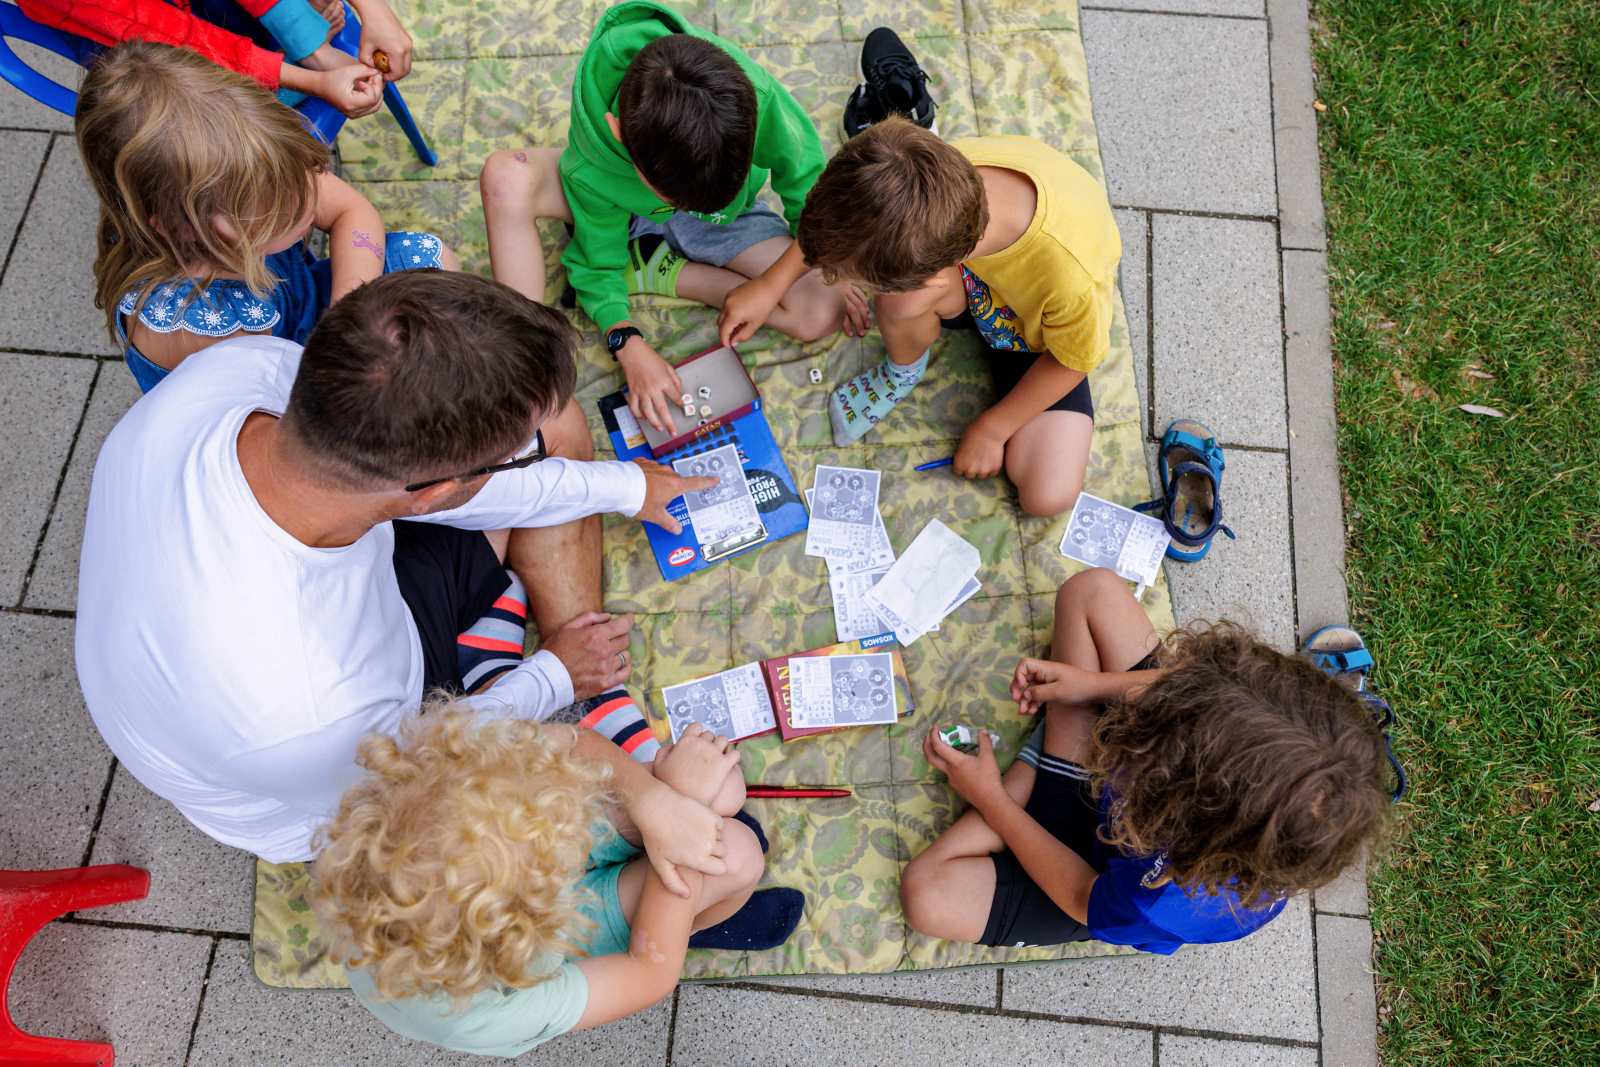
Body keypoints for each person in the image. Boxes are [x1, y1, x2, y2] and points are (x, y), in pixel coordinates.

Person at [74, 269, 719, 869]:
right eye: (509, 460)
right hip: (343, 774)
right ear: (431, 493)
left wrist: (628, 486)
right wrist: (551, 676)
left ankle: (575, 665)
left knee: (549, 419)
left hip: (308, 607)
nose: (520, 459)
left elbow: (449, 486)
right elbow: (425, 750)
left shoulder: (241, 367)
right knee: (559, 432)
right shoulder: (319, 704)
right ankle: (578, 674)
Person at [900, 568, 1395, 953]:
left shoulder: (1163, 895)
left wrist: (992, 799)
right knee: (1093, 591)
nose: (1162, 709)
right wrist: (1089, 686)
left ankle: (1030, 775)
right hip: (1127, 797)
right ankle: (1040, 766)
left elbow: (1080, 895)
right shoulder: (1229, 724)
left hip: (1087, 870)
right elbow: (1185, 689)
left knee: (927, 894)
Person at [478, 0, 865, 435]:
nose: (683, 212)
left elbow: (812, 196)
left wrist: (778, 280)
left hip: (721, 214)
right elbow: (596, 260)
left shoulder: (754, 98)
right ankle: (522, 358)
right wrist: (625, 339)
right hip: (613, 203)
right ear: (618, 131)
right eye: (673, 200)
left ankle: (659, 271)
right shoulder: (595, 157)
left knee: (822, 307)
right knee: (505, 178)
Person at [312, 709, 787, 1056]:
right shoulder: (489, 1013)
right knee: (738, 856)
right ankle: (693, 927)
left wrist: (654, 800)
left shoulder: (443, 783)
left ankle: (682, 881)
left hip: (518, 885)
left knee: (724, 794)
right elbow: (650, 974)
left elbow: (572, 743)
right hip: (550, 928)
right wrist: (685, 806)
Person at [787, 116, 1122, 518]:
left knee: (1047, 496)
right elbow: (842, 228)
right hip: (970, 284)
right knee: (899, 302)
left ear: (933, 276)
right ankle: (902, 371)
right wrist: (771, 285)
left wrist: (992, 429)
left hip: (1038, 347)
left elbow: (1072, 362)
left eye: (865, 284)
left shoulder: (1071, 279)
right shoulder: (927, 177)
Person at [75, 40, 452, 394]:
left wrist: (349, 316)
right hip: (281, 394)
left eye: (300, 181)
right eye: (276, 215)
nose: (305, 206)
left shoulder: (254, 170)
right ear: (182, 226)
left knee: (428, 262)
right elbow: (282, 417)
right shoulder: (198, 326)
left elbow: (351, 211)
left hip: (312, 321)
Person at [20, 0, 388, 115]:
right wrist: (311, 77)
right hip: (142, 52)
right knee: (188, 96)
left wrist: (313, 48)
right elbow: (182, 40)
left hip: (176, 24)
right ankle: (270, 95)